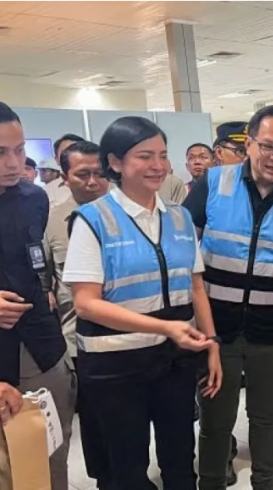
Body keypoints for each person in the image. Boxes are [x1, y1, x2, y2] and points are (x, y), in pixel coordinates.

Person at [64, 116, 221, 490]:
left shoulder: (180, 217)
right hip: (115, 368)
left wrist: (212, 344)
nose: (157, 165)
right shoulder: (93, 219)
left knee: (180, 461)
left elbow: (195, 287)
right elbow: (86, 304)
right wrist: (165, 327)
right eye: (144, 156)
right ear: (115, 162)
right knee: (127, 469)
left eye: (163, 155)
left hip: (175, 363)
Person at [183, 105, 273, 490]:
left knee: (267, 421)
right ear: (249, 144)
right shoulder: (213, 184)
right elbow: (185, 259)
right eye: (268, 146)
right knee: (215, 422)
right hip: (216, 333)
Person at [0, 102, 75, 490]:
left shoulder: (34, 198)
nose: (14, 163)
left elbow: (34, 261)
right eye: (0, 152)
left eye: (19, 149)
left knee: (50, 453)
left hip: (40, 346)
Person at [41, 140, 109, 486]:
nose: (93, 181)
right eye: (83, 174)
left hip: (132, 339)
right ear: (65, 177)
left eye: (100, 173)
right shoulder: (51, 221)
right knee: (95, 421)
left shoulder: (130, 215)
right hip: (80, 342)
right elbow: (43, 278)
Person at [46, 133, 85, 207]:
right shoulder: (46, 192)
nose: (73, 156)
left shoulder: (105, 184)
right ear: (57, 159)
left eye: (77, 151)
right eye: (66, 152)